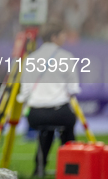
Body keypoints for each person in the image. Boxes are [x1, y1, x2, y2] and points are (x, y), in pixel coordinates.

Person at [17, 21, 81, 178]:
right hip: (60, 112)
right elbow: (73, 90)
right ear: (54, 37)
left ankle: (39, 167)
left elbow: (24, 92)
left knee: (46, 131)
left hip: (35, 114)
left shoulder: (30, 59)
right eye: (62, 34)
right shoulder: (67, 57)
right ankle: (71, 169)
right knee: (67, 128)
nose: (65, 37)